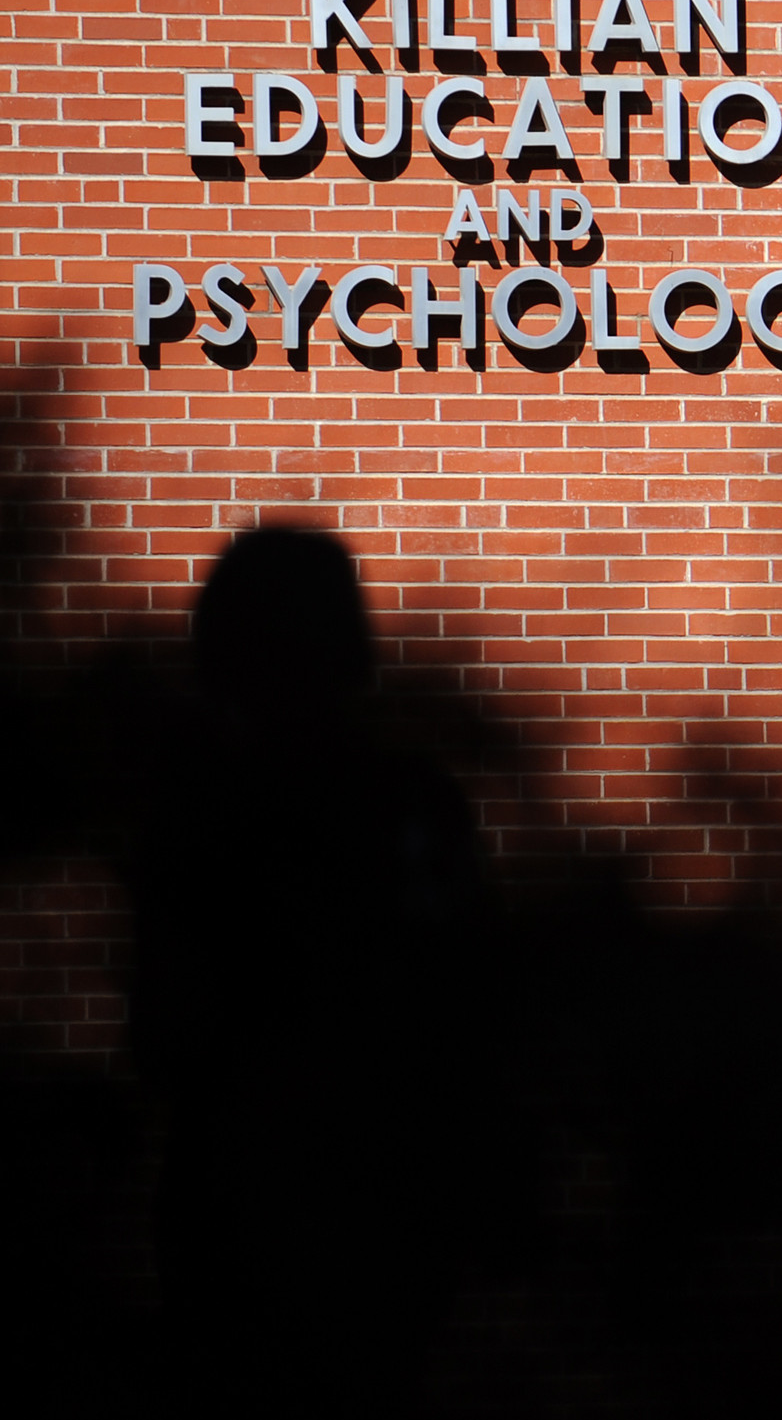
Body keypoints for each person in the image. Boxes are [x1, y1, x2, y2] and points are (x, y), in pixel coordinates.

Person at [136, 525, 490, 1416]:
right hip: (374, 1233)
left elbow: (167, 1031)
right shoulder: (414, 804)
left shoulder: (220, 810)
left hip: (280, 1231)